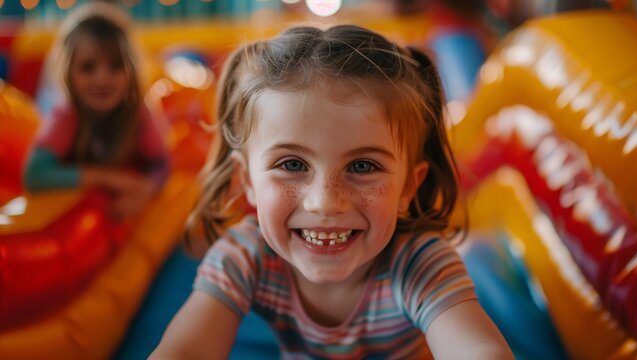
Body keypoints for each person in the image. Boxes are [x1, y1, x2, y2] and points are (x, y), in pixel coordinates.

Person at [151, 25, 513, 359]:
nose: (325, 202)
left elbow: (480, 351)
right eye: (292, 165)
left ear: (408, 187)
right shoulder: (245, 255)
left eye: (362, 166)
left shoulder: (417, 262)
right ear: (246, 180)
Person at [23, 3, 168, 221]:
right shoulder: (66, 115)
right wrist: (107, 179)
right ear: (69, 73)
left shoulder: (137, 113)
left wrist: (146, 190)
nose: (102, 79)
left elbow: (161, 163)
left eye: (116, 66)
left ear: (130, 70)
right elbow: (34, 175)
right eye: (88, 68)